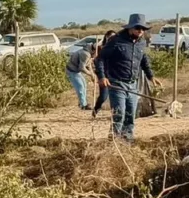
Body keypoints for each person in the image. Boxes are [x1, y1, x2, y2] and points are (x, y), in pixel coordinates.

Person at [95, 14, 159, 142]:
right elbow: (100, 58)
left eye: (143, 28)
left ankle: (127, 141)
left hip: (133, 84)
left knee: (131, 115)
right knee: (119, 114)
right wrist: (102, 77)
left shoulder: (141, 42)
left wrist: (150, 75)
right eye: (137, 28)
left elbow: (143, 59)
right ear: (130, 28)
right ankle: (114, 141)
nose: (140, 31)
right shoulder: (116, 41)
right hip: (117, 83)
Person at [90, 30, 115, 119]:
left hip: (115, 76)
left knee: (115, 97)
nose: (112, 38)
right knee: (104, 96)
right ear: (106, 37)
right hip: (104, 75)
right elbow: (96, 60)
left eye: (114, 36)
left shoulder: (117, 47)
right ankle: (96, 109)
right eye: (110, 37)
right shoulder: (101, 48)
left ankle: (115, 115)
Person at [65, 40, 95, 110]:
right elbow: (82, 68)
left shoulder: (89, 53)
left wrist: (92, 75)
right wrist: (90, 74)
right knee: (80, 87)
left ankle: (82, 102)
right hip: (72, 71)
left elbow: (88, 65)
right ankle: (83, 105)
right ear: (94, 51)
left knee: (84, 85)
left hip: (77, 71)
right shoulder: (85, 54)